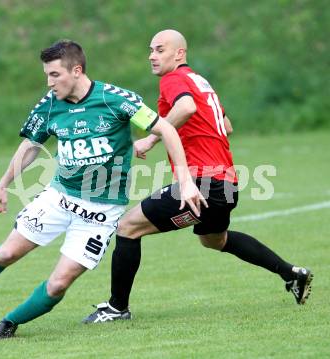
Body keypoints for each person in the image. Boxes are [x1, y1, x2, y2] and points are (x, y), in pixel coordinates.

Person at [0, 40, 202, 340]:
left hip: (102, 212)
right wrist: (2, 185)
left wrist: (184, 182)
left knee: (58, 284)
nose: (50, 83)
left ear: (76, 71)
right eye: (47, 75)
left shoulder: (115, 99)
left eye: (55, 75)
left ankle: (9, 324)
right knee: (6, 252)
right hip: (60, 197)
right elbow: (31, 146)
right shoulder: (50, 105)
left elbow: (167, 129)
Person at [83, 29, 313, 323]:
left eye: (160, 49)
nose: (152, 56)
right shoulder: (200, 82)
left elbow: (187, 107)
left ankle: (116, 308)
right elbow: (226, 125)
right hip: (226, 184)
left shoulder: (174, 79)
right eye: (150, 50)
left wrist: (153, 139)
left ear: (179, 53)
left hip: (202, 182)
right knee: (213, 240)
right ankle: (292, 274)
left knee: (128, 227)